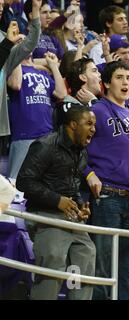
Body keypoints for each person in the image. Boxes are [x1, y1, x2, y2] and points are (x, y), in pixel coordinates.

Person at [85, 61, 129, 300]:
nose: (126, 82)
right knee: (103, 266)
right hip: (107, 197)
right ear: (105, 83)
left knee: (128, 270)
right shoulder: (97, 111)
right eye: (119, 77)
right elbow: (76, 149)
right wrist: (89, 173)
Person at [16, 105, 97, 300]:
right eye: (89, 124)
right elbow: (24, 181)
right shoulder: (45, 145)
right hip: (43, 214)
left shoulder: (82, 152)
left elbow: (73, 187)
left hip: (69, 217)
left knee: (86, 253)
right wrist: (57, 200)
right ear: (73, 125)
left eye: (94, 124)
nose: (94, 129)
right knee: (55, 256)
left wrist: (79, 206)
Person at [7, 52, 67, 179]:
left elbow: (61, 94)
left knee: (45, 184)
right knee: (16, 186)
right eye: (20, 42)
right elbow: (16, 85)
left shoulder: (43, 73)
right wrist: (16, 55)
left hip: (47, 137)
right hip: (24, 135)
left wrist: (54, 66)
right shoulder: (13, 69)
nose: (25, 44)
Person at [0, 0, 41, 138]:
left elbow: (29, 45)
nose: (1, 4)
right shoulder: (6, 40)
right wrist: (7, 44)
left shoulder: (4, 37)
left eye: (1, 4)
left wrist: (35, 10)